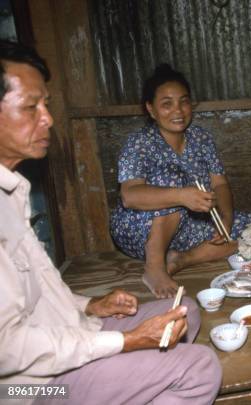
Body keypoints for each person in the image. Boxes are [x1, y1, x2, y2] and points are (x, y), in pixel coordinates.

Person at [0, 40, 221, 404]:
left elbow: (36, 290)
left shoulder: (12, 192)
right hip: (32, 387)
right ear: (150, 109)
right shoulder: (140, 144)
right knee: (199, 367)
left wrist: (89, 306)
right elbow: (8, 348)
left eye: (46, 105)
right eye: (30, 107)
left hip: (70, 333)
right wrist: (127, 341)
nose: (48, 119)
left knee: (185, 314)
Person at [111, 64, 251, 298]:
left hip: (188, 226)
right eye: (167, 104)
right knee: (173, 177)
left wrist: (226, 220)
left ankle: (181, 259)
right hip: (141, 230)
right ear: (151, 109)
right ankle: (155, 267)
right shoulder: (139, 143)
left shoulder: (201, 138)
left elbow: (219, 184)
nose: (178, 111)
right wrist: (181, 195)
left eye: (184, 101)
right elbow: (129, 196)